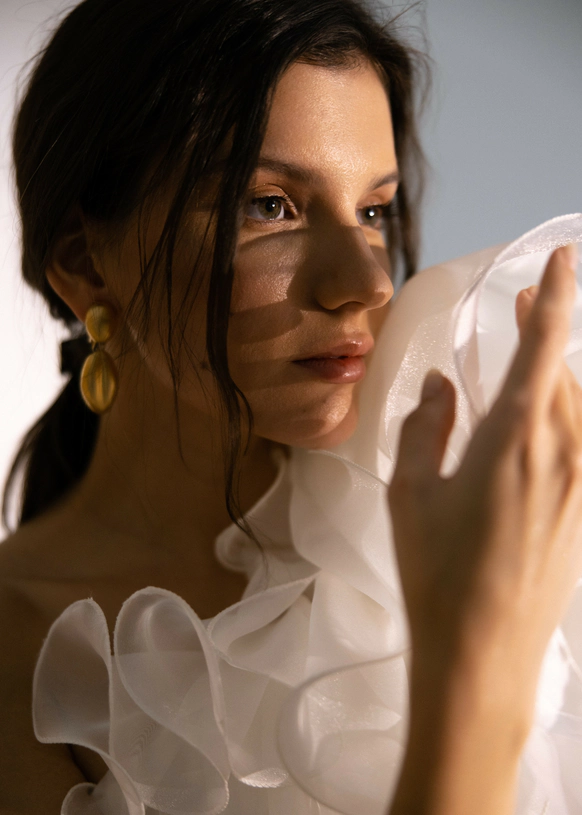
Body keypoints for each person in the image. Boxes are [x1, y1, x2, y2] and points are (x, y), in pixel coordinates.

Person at [1, 0, 581, 813]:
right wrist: (479, 666)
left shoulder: (475, 504)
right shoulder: (20, 653)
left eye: (373, 211)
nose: (366, 282)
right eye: (268, 205)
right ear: (85, 263)